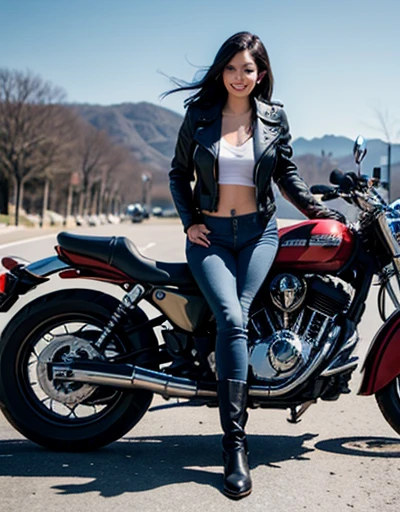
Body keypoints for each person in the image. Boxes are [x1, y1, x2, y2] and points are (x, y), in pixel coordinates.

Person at [166, 31, 345, 499]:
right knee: (231, 317)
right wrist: (189, 222)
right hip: (211, 237)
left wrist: (317, 212)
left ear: (260, 73)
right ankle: (235, 446)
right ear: (221, 71)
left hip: (259, 233)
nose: (239, 77)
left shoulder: (274, 117)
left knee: (243, 314)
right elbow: (177, 171)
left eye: (248, 69)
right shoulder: (200, 116)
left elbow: (285, 173)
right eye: (231, 68)